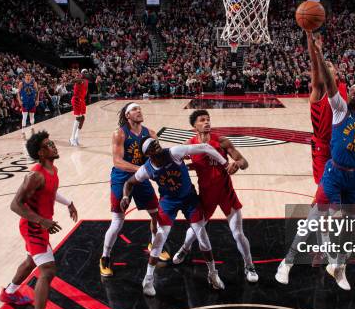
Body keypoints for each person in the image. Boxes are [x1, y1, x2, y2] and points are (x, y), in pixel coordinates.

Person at [276, 31, 355, 289]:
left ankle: (341, 254)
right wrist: (314, 48)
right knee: (323, 208)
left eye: (330, 66)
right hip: (324, 152)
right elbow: (320, 74)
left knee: (350, 211)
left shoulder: (347, 93)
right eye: (323, 67)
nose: (326, 69)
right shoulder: (323, 89)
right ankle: (320, 250)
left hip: (346, 158)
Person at [122, 138, 228, 296]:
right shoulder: (147, 169)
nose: (156, 144)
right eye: (152, 145)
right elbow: (129, 183)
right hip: (168, 202)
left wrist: (224, 163)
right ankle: (148, 279)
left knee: (202, 235)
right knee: (159, 238)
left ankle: (212, 273)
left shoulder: (174, 152)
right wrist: (125, 197)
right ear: (148, 153)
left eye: (156, 142)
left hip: (189, 199)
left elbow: (205, 147)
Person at [0, 131, 78, 309]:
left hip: (39, 225)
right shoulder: (34, 175)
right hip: (33, 227)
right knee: (48, 270)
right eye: (49, 144)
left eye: (53, 142)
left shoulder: (52, 169)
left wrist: (69, 202)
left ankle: (9, 292)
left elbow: (50, 192)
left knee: (29, 261)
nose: (54, 146)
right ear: (41, 152)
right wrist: (41, 221)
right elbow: (15, 204)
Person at [172, 110, 258, 283]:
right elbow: (176, 162)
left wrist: (237, 164)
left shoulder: (222, 141)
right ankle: (185, 248)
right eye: (202, 120)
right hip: (205, 196)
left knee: (238, 233)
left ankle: (249, 265)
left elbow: (244, 162)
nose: (207, 122)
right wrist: (187, 168)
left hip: (226, 193)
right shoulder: (189, 145)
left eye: (208, 119)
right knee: (196, 229)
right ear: (194, 126)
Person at [99, 102, 169, 277]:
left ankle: (154, 245)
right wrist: (143, 170)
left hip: (141, 177)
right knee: (117, 222)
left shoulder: (151, 134)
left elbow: (157, 157)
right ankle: (105, 257)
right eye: (134, 109)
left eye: (139, 108)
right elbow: (117, 161)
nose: (139, 111)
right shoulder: (120, 133)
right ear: (127, 115)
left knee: (156, 214)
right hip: (122, 178)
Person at [70, 69, 89, 146]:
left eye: (86, 72)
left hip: (82, 100)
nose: (86, 73)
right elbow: (73, 81)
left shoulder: (86, 81)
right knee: (78, 118)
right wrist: (75, 79)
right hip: (76, 99)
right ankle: (72, 138)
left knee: (82, 118)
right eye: (84, 72)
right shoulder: (80, 80)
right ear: (81, 73)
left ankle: (76, 136)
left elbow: (86, 90)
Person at [18, 73, 38, 138]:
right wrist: (19, 100)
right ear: (25, 76)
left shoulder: (34, 83)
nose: (28, 76)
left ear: (31, 76)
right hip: (25, 102)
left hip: (32, 102)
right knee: (24, 117)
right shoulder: (21, 83)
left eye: (29, 75)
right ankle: (23, 132)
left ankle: (32, 127)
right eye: (27, 75)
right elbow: (18, 93)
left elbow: (37, 92)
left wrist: (37, 100)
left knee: (32, 117)